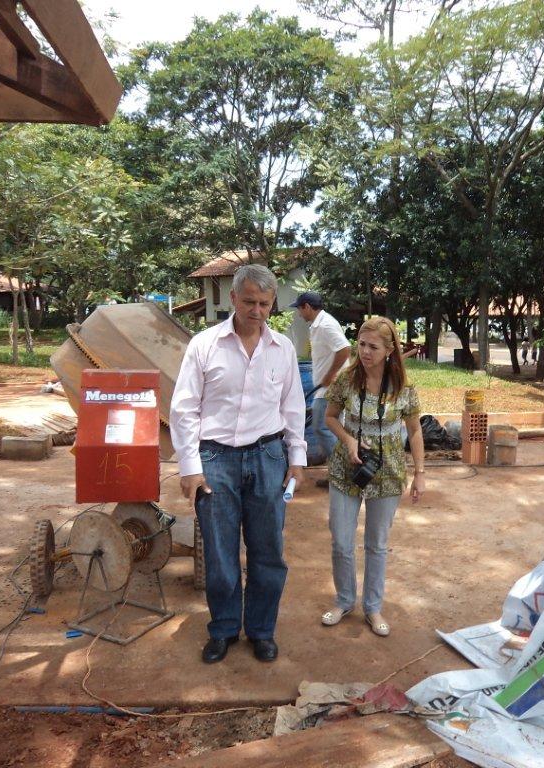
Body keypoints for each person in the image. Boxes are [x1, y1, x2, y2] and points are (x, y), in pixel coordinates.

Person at [170, 264, 307, 664]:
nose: (257, 311)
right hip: (216, 460)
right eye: (249, 302)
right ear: (232, 298)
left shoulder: (282, 349)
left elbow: (293, 407)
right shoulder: (204, 345)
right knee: (219, 552)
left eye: (264, 303)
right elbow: (184, 409)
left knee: (268, 551)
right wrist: (190, 466)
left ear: (272, 303)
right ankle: (225, 628)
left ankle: (261, 630)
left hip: (268, 457)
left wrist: (297, 458)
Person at [320, 316, 425, 638]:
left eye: (373, 347)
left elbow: (415, 430)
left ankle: (373, 607)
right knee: (341, 540)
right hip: (347, 468)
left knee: (376, 545)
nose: (365, 352)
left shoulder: (404, 387)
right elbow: (330, 417)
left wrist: (420, 474)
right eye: (362, 345)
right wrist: (348, 439)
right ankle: (344, 600)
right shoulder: (346, 379)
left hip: (388, 470)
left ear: (390, 350)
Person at [290, 291, 351, 476]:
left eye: (300, 309)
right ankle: (338, 472)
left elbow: (345, 349)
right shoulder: (318, 324)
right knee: (332, 429)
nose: (299, 314)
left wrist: (331, 374)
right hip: (327, 387)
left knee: (321, 426)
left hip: (331, 388)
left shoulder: (325, 325)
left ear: (307, 307)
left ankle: (342, 474)